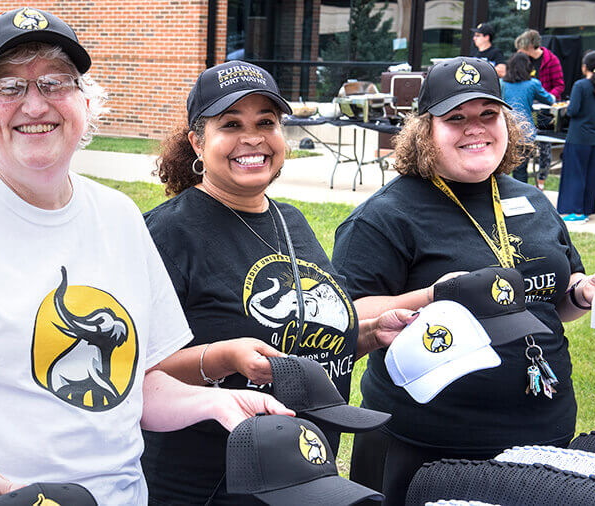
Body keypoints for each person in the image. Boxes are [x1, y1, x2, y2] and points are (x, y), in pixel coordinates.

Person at [0, 9, 291, 505]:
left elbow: (138, 388)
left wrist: (215, 401)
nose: (34, 104)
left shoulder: (119, 217)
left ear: (85, 105)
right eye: (8, 88)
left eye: (55, 83)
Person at [331, 56, 595, 506]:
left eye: (488, 114)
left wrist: (582, 293)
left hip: (543, 433)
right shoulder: (385, 216)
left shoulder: (531, 200)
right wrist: (434, 294)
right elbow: (345, 320)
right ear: (425, 131)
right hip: (427, 447)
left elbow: (551, 300)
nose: (476, 128)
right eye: (456, 118)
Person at [139, 60, 415, 505]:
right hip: (208, 485)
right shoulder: (167, 233)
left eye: (265, 122)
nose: (252, 137)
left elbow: (303, 341)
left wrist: (367, 334)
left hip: (305, 472)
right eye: (231, 124)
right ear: (197, 140)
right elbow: (135, 371)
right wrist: (224, 357)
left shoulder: (292, 221)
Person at [557, 50, 595, 222]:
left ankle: (576, 211)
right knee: (590, 174)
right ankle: (586, 210)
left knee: (575, 173)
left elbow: (573, 111)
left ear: (584, 66)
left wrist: (567, 105)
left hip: (578, 136)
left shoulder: (580, 86)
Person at [515, 29, 565, 190]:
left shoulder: (551, 60)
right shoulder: (523, 60)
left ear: (530, 45)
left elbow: (559, 85)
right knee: (522, 148)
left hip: (544, 110)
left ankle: (541, 183)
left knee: (544, 148)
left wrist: (548, 98)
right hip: (526, 108)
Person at [500, 52, 555, 183]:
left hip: (504, 131)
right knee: (520, 172)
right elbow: (550, 99)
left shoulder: (501, 83)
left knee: (501, 171)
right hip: (525, 132)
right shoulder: (533, 84)